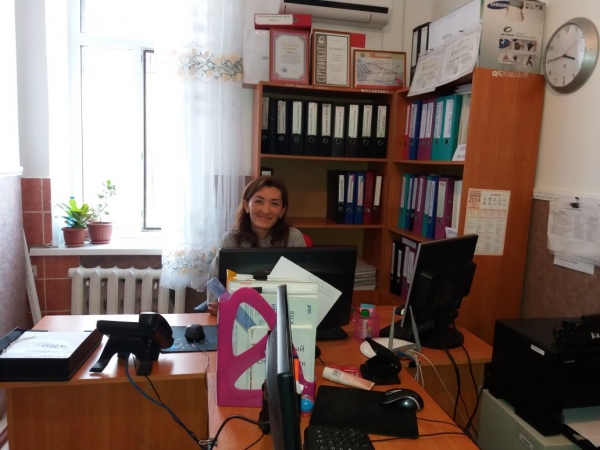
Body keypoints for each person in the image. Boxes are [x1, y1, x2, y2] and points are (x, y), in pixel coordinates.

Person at [205, 175, 306, 314]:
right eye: (259, 201)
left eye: (274, 204)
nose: (266, 210)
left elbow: (304, 291)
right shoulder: (230, 241)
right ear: (246, 205)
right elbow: (215, 293)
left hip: (284, 316)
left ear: (282, 211)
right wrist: (222, 305)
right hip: (240, 317)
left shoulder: (293, 238)